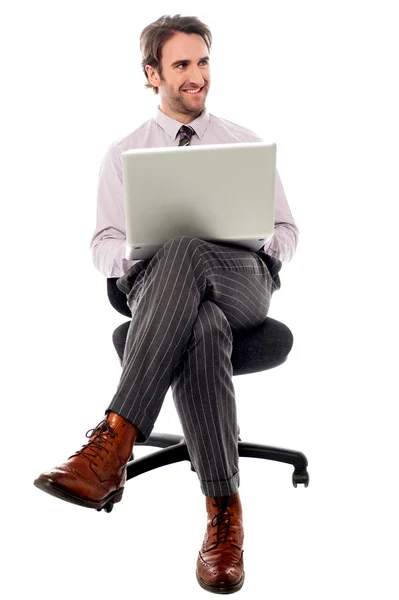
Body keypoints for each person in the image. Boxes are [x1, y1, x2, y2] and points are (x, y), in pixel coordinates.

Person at [34, 14, 299, 594]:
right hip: (163, 292)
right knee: (198, 320)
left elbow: (287, 229)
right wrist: (141, 259)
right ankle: (224, 518)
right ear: (151, 74)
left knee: (191, 253)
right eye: (181, 65)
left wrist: (255, 239)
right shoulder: (125, 154)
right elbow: (102, 243)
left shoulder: (243, 142)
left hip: (241, 283)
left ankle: (113, 443)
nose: (196, 76)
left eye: (203, 62)